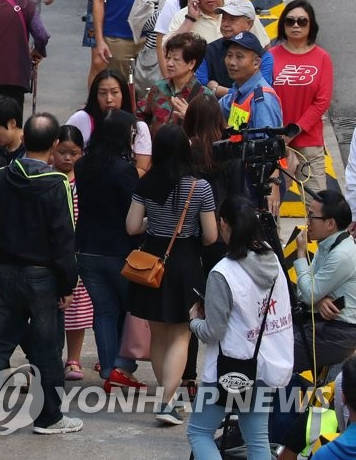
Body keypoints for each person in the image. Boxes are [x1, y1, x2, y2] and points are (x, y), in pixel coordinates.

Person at [0, 114, 84, 435]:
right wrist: (67, 283)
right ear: (55, 145)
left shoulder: (0, 177)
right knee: (47, 348)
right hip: (42, 278)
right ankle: (49, 418)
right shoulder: (57, 183)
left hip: (3, 273)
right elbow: (64, 238)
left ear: (24, 137)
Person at [186, 195, 293, 460]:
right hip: (266, 364)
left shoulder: (223, 272)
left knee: (199, 433)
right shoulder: (271, 258)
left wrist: (194, 322)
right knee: (257, 439)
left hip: (230, 368)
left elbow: (213, 332)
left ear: (223, 224)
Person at [125, 124, 218, 425]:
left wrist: (155, 224)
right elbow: (211, 236)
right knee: (182, 333)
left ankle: (168, 398)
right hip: (185, 262)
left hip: (151, 260)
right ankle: (166, 403)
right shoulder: (199, 187)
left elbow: (132, 227)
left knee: (160, 335)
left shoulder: (146, 183)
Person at [74, 110, 145, 391]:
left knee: (103, 310)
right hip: (118, 250)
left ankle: (108, 369)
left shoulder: (83, 165)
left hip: (87, 248)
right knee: (129, 309)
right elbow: (135, 208)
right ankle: (121, 367)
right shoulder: (123, 169)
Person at [272, 0, 334, 199]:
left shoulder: (322, 57)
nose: (296, 25)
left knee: (316, 205)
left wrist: (295, 130)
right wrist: (280, 134)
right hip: (275, 141)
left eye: (302, 21)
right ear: (283, 25)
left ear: (311, 25)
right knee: (270, 204)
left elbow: (322, 101)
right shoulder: (270, 56)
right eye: (290, 21)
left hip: (309, 142)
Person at [293, 190, 356, 372]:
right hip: (319, 322)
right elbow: (303, 291)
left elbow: (307, 291)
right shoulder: (328, 243)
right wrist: (318, 300)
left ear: (330, 223)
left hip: (338, 333)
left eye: (312, 216)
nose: (307, 221)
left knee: (278, 357)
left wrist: (300, 254)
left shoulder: (341, 254)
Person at [51, 125, 94, 381]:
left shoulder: (85, 182)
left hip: (78, 251)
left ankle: (74, 359)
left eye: (74, 153)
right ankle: (50, 357)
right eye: (62, 152)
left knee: (77, 309)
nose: (67, 158)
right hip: (53, 252)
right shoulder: (47, 177)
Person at [66, 69, 151, 170]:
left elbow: (142, 168)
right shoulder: (80, 119)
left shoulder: (139, 127)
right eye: (102, 93)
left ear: (123, 94)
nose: (109, 99)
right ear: (95, 95)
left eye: (114, 92)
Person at [135, 32, 216, 133]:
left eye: (176, 59)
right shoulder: (158, 88)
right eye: (168, 58)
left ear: (191, 63)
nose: (169, 63)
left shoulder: (204, 96)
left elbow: (210, 133)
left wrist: (191, 118)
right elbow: (139, 117)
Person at [195, 0, 274, 98]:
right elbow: (200, 85)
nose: (225, 24)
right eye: (223, 19)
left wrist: (218, 89)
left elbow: (260, 93)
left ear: (249, 24)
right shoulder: (207, 50)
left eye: (232, 20)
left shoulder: (264, 56)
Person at [219, 31, 284, 132]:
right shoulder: (239, 90)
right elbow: (218, 109)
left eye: (239, 57)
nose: (231, 62)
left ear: (256, 63)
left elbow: (264, 145)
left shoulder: (262, 100)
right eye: (229, 55)